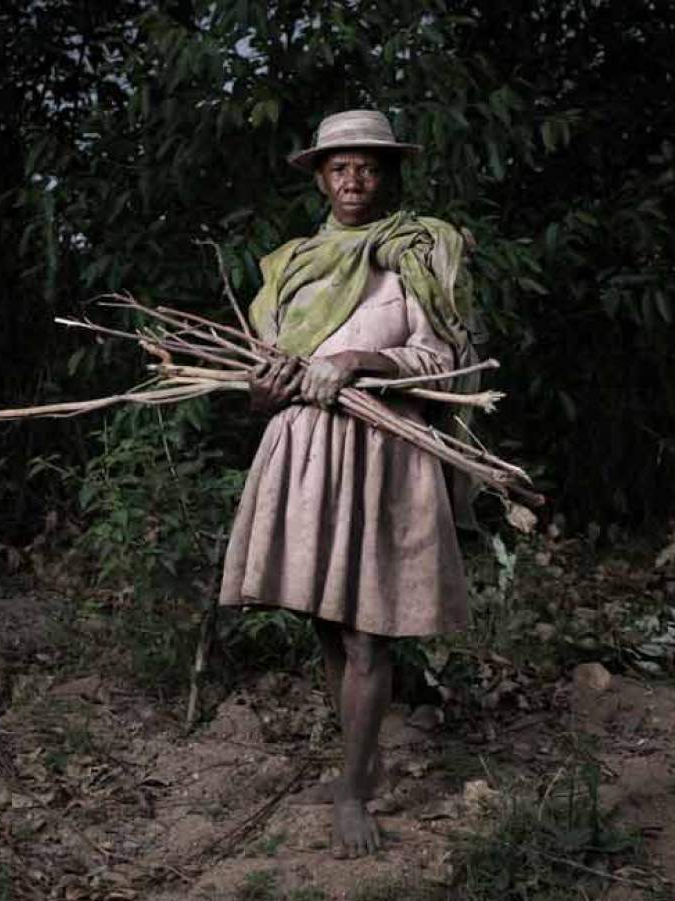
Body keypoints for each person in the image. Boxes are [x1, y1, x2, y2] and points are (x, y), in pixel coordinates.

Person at [220, 110, 478, 858]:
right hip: (303, 453)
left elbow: (448, 362)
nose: (353, 180)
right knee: (329, 620)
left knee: (369, 631)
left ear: (388, 173)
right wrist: (266, 384)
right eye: (339, 167)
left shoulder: (420, 253)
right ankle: (358, 765)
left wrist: (364, 363)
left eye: (366, 166)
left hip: (381, 450)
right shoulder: (292, 266)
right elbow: (259, 385)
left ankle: (357, 792)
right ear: (321, 178)